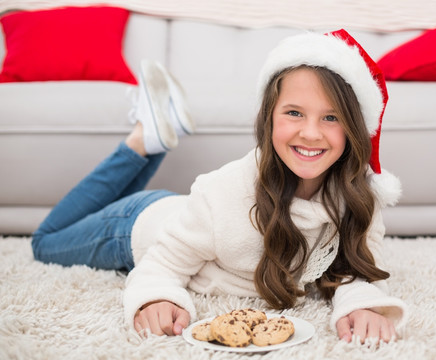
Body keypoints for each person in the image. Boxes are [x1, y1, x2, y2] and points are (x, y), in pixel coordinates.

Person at [32, 29, 407, 344]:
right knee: (45, 241)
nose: (310, 132)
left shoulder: (360, 197)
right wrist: (156, 298)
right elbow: (161, 266)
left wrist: (361, 304)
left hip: (187, 214)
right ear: (268, 119)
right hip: (134, 227)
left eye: (331, 117)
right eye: (294, 112)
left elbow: (357, 269)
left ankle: (152, 140)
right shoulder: (226, 192)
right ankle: (140, 144)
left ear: (355, 130)